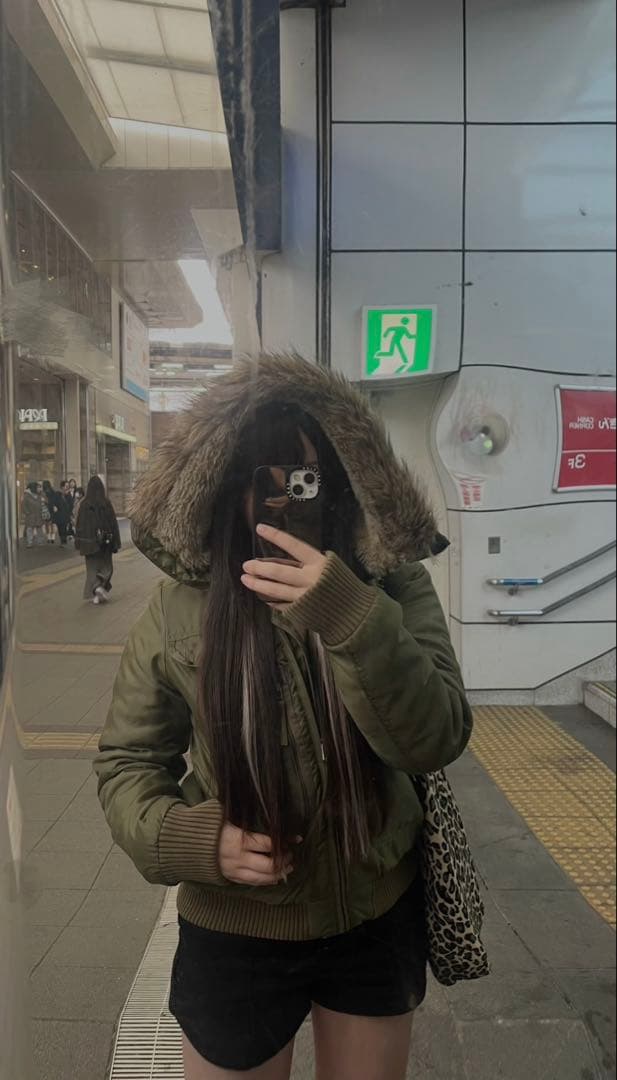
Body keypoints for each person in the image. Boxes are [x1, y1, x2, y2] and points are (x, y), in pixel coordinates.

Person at [95, 355, 472, 1080]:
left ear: (339, 479)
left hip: (373, 913)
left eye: (304, 478)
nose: (284, 499)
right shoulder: (180, 606)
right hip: (236, 928)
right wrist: (194, 839)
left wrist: (349, 613)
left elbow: (436, 736)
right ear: (220, 485)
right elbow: (127, 762)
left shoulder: (390, 582)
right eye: (262, 479)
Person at [75, 476, 121, 604]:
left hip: (88, 543)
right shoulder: (106, 503)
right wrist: (116, 542)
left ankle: (96, 590)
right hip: (105, 542)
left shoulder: (84, 504)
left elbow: (79, 525)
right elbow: (113, 523)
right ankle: (99, 588)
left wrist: (79, 542)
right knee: (107, 566)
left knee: (92, 569)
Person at [21, 481, 44, 547]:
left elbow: (43, 503)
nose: (39, 489)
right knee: (30, 529)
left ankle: (40, 542)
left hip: (38, 515)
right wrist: (27, 512)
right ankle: (29, 542)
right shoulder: (26, 496)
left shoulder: (39, 495)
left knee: (39, 529)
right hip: (30, 515)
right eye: (38, 487)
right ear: (34, 488)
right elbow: (23, 505)